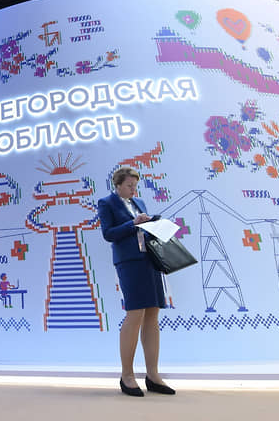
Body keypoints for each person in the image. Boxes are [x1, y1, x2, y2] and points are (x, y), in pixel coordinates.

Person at [97, 166, 174, 397]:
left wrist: (154, 224)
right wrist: (133, 223)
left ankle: (153, 375)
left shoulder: (139, 202)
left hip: (149, 259)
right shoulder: (106, 203)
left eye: (135, 185)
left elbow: (144, 230)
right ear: (118, 185)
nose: (133, 189)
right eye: (129, 185)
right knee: (135, 312)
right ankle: (127, 376)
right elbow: (108, 234)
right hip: (129, 262)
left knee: (153, 312)